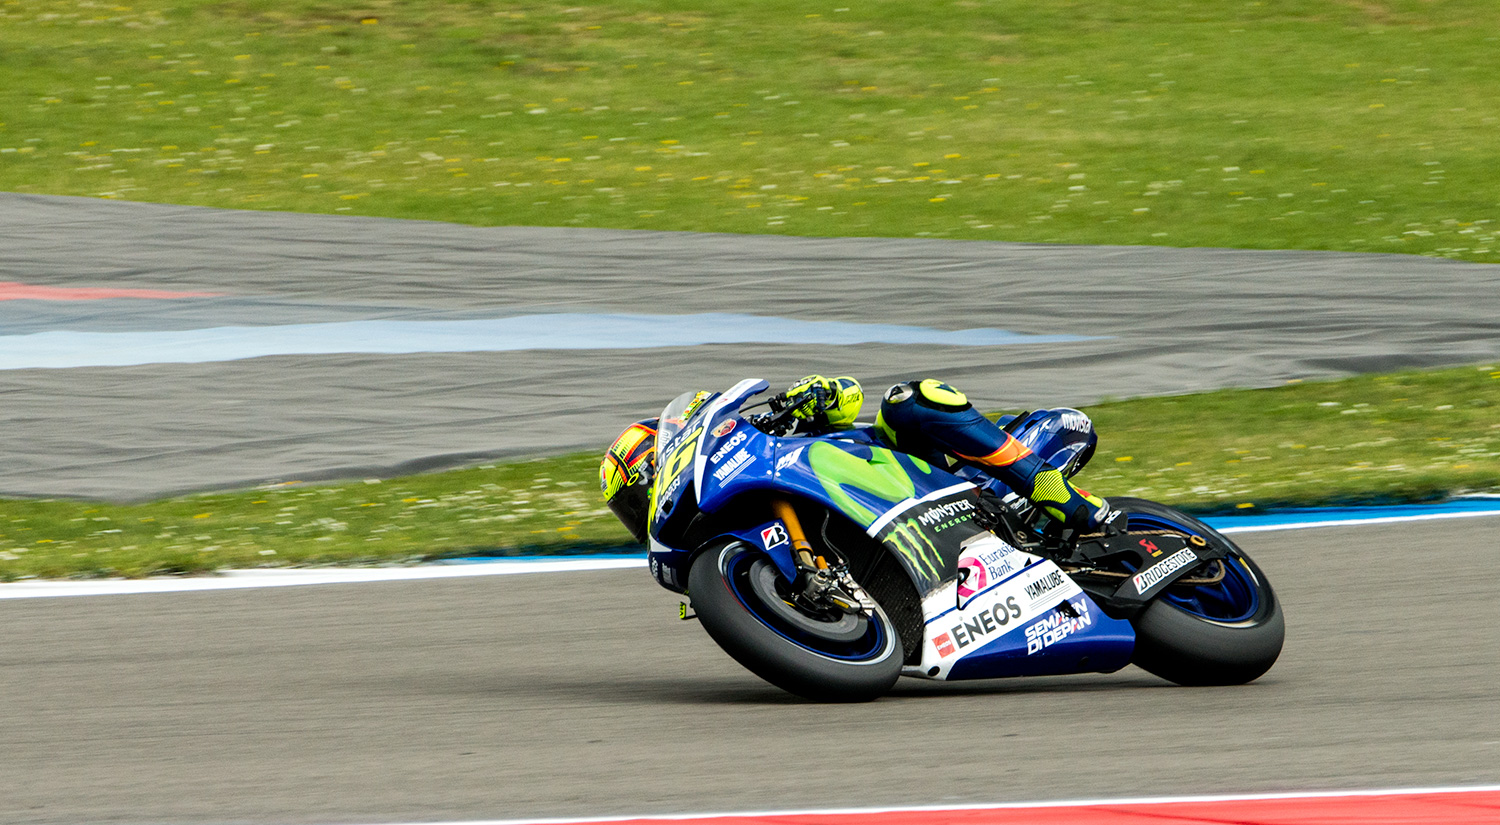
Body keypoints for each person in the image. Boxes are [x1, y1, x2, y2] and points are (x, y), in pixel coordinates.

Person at [600, 375, 1122, 543]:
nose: (642, 506)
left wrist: (816, 395)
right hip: (898, 534)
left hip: (916, 473)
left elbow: (848, 395)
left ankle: (1065, 500)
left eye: (640, 489)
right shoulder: (723, 543)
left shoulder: (756, 437)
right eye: (630, 507)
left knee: (910, 398)